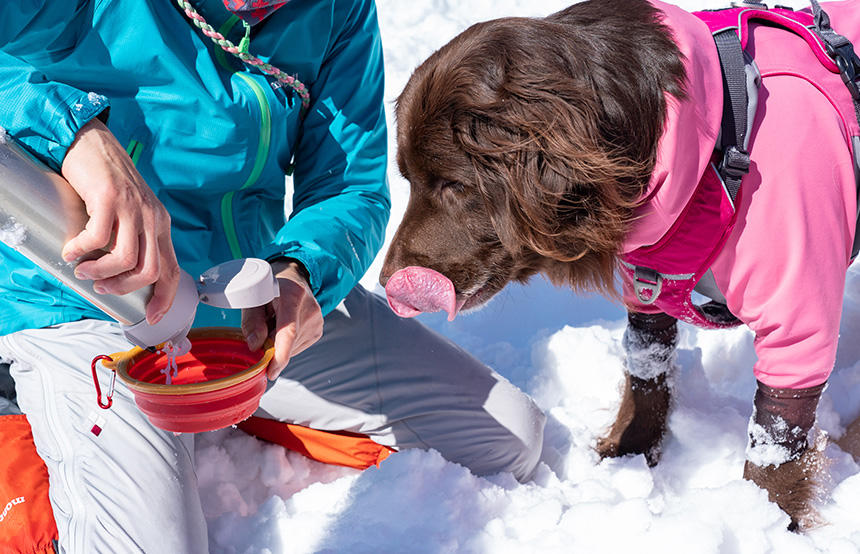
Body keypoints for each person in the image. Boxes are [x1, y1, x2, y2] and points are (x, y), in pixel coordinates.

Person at [0, 1, 546, 551]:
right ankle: (24, 436)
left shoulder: (338, 10)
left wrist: (301, 271)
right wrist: (76, 135)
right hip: (81, 296)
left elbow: (349, 186)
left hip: (240, 299)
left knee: (507, 438)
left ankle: (217, 407)